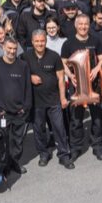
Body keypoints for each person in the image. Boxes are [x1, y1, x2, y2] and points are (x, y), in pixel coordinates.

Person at [25, 30, 73, 169]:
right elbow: (21, 74)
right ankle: (43, 154)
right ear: (32, 42)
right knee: (39, 130)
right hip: (36, 102)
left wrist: (63, 98)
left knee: (59, 128)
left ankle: (64, 155)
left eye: (42, 41)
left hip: (54, 100)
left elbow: (61, 78)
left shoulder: (54, 56)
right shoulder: (25, 57)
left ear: (45, 41)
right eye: (37, 41)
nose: (40, 44)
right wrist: (30, 77)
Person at [62, 14, 102, 161]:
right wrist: (70, 76)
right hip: (76, 87)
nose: (83, 27)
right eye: (80, 24)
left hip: (93, 85)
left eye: (86, 24)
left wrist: (96, 69)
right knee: (76, 119)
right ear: (76, 25)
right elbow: (63, 62)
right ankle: (76, 147)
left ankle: (97, 145)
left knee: (97, 117)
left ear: (89, 25)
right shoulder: (68, 43)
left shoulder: (95, 40)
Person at [0, 37, 33, 175]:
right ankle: (3, 164)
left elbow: (28, 88)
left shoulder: (23, 65)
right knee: (3, 139)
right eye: (9, 48)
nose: (12, 51)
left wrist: (26, 107)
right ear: (3, 48)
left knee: (18, 141)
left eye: (14, 49)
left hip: (20, 112)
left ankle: (15, 162)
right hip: (2, 113)